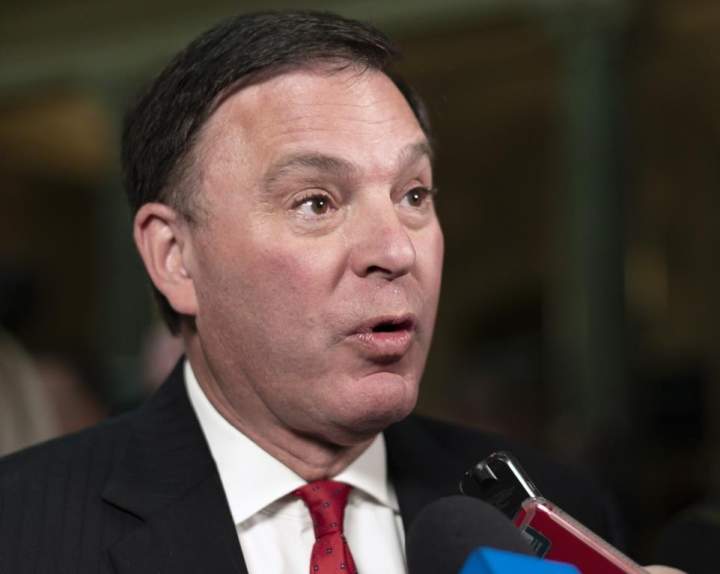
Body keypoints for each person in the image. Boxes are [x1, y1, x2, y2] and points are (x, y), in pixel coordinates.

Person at [0, 10, 682, 573]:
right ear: (175, 257)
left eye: (413, 195)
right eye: (317, 203)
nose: (396, 251)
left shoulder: (555, 513)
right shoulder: (23, 528)